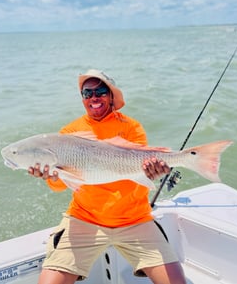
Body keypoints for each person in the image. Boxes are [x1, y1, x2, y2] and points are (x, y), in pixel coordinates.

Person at [28, 69, 187, 284]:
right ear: (82, 98)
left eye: (100, 91)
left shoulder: (131, 127)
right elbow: (59, 186)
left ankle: (189, 158)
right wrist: (51, 175)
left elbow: (138, 166)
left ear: (111, 95)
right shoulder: (69, 132)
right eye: (87, 93)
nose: (94, 97)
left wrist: (153, 171)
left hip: (135, 220)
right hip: (85, 219)